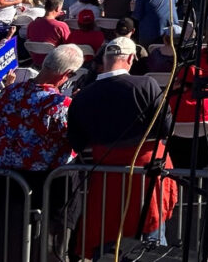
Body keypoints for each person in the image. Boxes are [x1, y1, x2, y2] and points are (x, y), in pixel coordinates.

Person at [66, 36, 176, 257]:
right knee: (150, 245)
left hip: (106, 181)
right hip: (145, 180)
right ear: (131, 58)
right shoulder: (147, 84)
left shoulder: (82, 96)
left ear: (105, 59)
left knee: (107, 241)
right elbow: (167, 127)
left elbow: (76, 142)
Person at [0, 44, 84, 260]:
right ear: (67, 75)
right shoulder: (61, 105)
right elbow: (76, 140)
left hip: (6, 176)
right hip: (49, 181)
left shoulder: (9, 91)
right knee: (52, 239)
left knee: (6, 238)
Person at [26, 0, 70, 65]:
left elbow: (28, 40)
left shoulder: (32, 24)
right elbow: (68, 45)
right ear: (58, 8)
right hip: (54, 62)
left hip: (37, 61)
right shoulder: (61, 26)